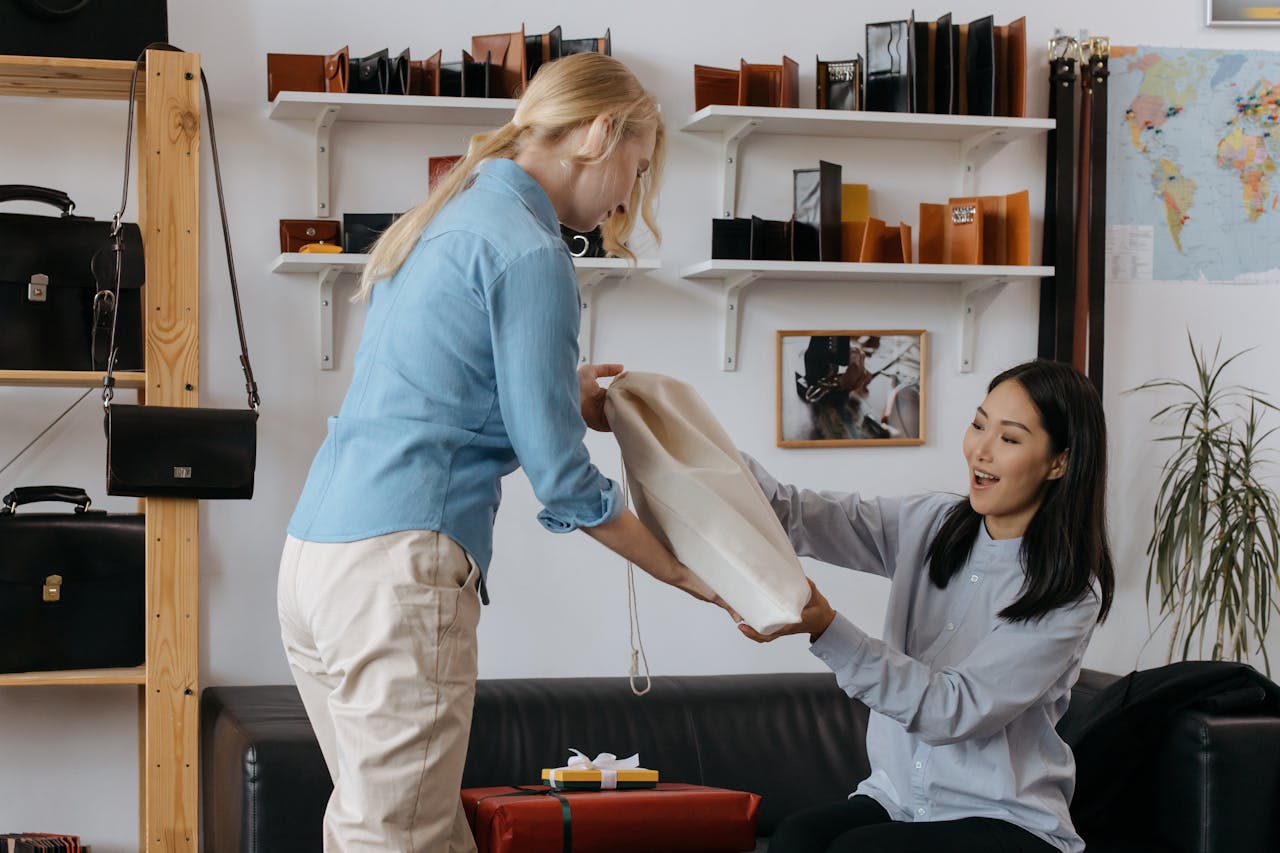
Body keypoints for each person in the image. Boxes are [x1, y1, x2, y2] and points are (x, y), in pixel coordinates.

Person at [277, 52, 723, 853]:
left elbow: (443, 387)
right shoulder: (531, 249)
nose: (630, 193)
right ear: (598, 132)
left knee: (412, 828)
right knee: (396, 839)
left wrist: (560, 389)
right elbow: (564, 481)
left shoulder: (454, 212)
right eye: (637, 165)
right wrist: (682, 570)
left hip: (319, 557)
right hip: (399, 568)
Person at [741, 359, 1114, 853]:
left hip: (1002, 817)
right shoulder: (935, 522)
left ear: (1058, 462)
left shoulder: (1067, 594)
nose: (980, 449)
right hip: (899, 799)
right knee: (797, 837)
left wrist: (825, 627)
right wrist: (682, 433)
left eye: (1009, 438)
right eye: (979, 424)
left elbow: (951, 710)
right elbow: (795, 514)